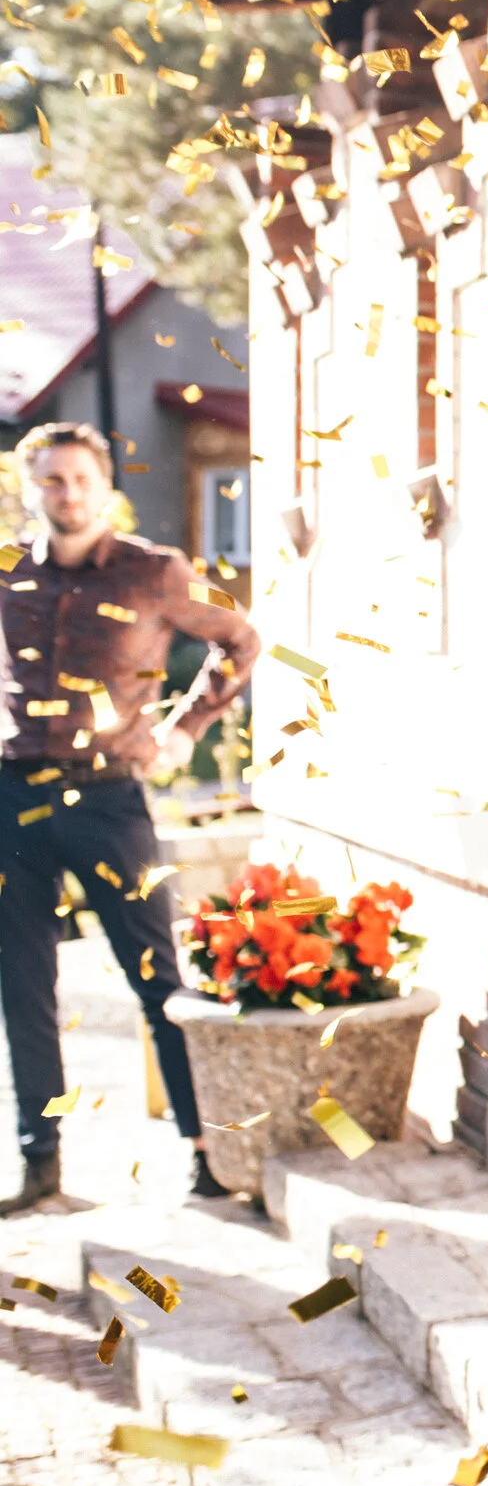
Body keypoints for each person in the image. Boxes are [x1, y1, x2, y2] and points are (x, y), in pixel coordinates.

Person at [0, 421, 260, 1215]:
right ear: (29, 487)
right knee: (23, 984)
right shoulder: (8, 568)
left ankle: (206, 1152)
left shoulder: (157, 571)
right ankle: (40, 1162)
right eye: (51, 480)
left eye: (80, 479)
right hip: (13, 796)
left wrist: (183, 729)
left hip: (110, 796)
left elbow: (241, 640)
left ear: (104, 485)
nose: (66, 494)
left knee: (157, 977)